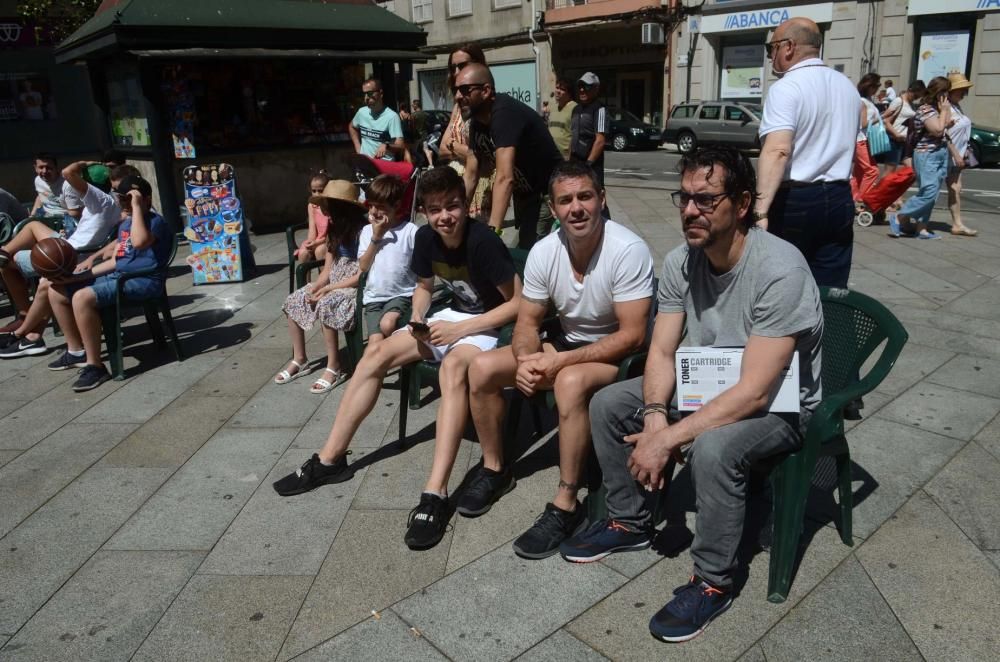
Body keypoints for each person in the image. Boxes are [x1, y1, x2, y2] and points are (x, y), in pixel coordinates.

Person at [562, 146, 822, 643]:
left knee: (715, 446)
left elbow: (755, 392)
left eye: (705, 200)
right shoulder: (684, 260)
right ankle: (630, 520)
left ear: (742, 204)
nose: (688, 211)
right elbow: (661, 351)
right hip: (709, 378)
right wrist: (657, 418)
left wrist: (671, 437)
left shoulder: (779, 269)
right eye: (683, 198)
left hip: (781, 401)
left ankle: (713, 580)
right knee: (611, 403)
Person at [272, 167, 521, 554]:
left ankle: (434, 494)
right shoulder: (426, 238)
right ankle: (330, 459)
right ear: (423, 210)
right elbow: (423, 288)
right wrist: (419, 315)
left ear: (466, 205)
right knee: (375, 353)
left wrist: (461, 331)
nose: (444, 217)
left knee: (454, 367)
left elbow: (518, 303)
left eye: (452, 206)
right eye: (435, 209)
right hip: (451, 318)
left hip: (489, 328)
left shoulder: (483, 241)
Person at [465, 161, 654, 559]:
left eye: (585, 196)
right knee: (481, 368)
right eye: (565, 200)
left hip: (620, 356)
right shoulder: (545, 251)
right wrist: (524, 359)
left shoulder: (627, 249)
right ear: (553, 209)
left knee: (568, 382)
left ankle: (566, 501)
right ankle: (495, 469)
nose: (576, 208)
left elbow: (633, 334)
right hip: (565, 345)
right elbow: (527, 321)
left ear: (601, 199)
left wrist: (559, 363)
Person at [754, 17, 859, 288]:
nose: (771, 56)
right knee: (830, 287)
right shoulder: (846, 86)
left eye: (771, 48)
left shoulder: (787, 87)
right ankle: (831, 329)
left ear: (788, 47)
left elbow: (777, 150)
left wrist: (760, 211)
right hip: (839, 196)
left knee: (783, 285)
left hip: (796, 200)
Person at [46, 175, 173, 391]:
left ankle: (95, 366)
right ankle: (76, 350)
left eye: (128, 199)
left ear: (145, 199)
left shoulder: (155, 222)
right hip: (120, 277)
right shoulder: (126, 225)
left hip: (142, 281)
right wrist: (78, 276)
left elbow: (140, 242)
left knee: (82, 297)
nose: (124, 204)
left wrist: (137, 207)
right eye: (122, 199)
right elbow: (116, 260)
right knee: (57, 289)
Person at [0, 162, 128, 355]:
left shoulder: (101, 200)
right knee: (33, 226)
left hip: (68, 255)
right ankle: (4, 254)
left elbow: (68, 172)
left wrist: (87, 162)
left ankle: (26, 328)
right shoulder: (113, 203)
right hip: (72, 246)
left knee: (13, 266)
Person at [274, 180, 367, 394]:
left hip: (353, 284)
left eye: (330, 206)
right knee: (295, 299)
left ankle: (334, 366)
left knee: (327, 303)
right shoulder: (334, 229)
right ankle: (300, 359)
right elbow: (327, 269)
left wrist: (329, 289)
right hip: (335, 279)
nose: (325, 211)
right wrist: (316, 287)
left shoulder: (363, 231)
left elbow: (362, 274)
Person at [458, 63, 564, 249]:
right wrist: (456, 213)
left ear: (486, 90)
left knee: (532, 252)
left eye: (465, 90)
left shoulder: (504, 113)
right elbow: (471, 174)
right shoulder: (477, 123)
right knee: (525, 249)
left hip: (549, 191)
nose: (458, 96)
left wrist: (493, 232)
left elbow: (504, 178)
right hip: (525, 195)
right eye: (456, 89)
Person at [357, 175, 418, 344]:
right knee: (374, 343)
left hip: (401, 293)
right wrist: (377, 237)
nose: (374, 211)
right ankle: (380, 365)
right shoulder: (367, 231)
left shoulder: (410, 231)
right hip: (374, 296)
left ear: (396, 206)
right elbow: (363, 266)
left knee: (387, 324)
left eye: (380, 207)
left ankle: (397, 354)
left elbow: (423, 265)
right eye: (371, 205)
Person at [890, 76, 952, 240]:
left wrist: (945, 112)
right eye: (946, 92)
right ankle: (899, 217)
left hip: (940, 154)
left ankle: (922, 228)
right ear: (938, 93)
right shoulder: (925, 109)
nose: (948, 96)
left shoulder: (938, 109)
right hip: (927, 155)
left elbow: (946, 126)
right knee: (929, 192)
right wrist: (945, 111)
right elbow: (938, 130)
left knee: (932, 193)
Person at [438, 44, 491, 218]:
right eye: (453, 67)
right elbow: (442, 149)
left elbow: (483, 155)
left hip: (480, 184)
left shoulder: (483, 104)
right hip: (454, 182)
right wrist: (464, 150)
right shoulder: (458, 106)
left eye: (462, 65)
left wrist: (453, 145)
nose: (456, 71)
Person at [943, 72, 977, 237]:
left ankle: (957, 224)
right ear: (951, 91)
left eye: (965, 90)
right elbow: (943, 133)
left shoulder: (956, 106)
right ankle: (904, 218)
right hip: (947, 155)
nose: (964, 93)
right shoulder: (946, 106)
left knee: (956, 189)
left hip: (957, 156)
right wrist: (956, 154)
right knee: (929, 191)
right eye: (961, 90)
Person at [349, 78, 405, 161]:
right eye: (364, 94)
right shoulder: (362, 112)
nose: (366, 97)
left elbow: (400, 145)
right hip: (366, 164)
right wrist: (358, 149)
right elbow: (352, 126)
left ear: (381, 93)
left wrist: (387, 146)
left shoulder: (392, 116)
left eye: (370, 93)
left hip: (384, 166)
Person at [570, 72, 608, 189]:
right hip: (575, 161)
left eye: (586, 86)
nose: (582, 90)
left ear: (596, 89)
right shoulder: (576, 109)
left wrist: (589, 164)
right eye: (580, 86)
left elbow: (600, 140)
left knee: (595, 196)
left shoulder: (599, 109)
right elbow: (573, 135)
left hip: (591, 164)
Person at [851, 72, 881, 206]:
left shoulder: (867, 100)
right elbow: (862, 124)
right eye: (876, 86)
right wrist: (876, 120)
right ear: (869, 86)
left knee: (860, 172)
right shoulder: (863, 101)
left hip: (863, 140)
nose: (877, 89)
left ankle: (854, 198)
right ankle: (861, 200)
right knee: (872, 171)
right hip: (861, 140)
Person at [880, 80, 923, 175]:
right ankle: (881, 189)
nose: (916, 98)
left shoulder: (911, 104)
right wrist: (897, 135)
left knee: (911, 170)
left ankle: (891, 188)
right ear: (910, 90)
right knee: (889, 171)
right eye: (915, 96)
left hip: (905, 142)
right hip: (894, 140)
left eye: (918, 97)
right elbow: (886, 120)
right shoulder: (898, 101)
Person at [294, 172, 332, 267]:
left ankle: (324, 279)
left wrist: (317, 243)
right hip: (317, 239)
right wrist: (310, 242)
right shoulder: (312, 206)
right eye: (313, 191)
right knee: (303, 253)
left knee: (320, 250)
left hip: (329, 240)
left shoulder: (331, 207)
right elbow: (312, 227)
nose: (316, 194)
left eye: (320, 190)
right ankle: (305, 281)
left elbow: (331, 234)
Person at [547, 78, 577, 159]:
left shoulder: (575, 108)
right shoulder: (553, 108)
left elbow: (575, 136)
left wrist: (570, 158)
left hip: (565, 158)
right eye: (557, 88)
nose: (558, 91)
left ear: (569, 93)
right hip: (551, 155)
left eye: (562, 89)